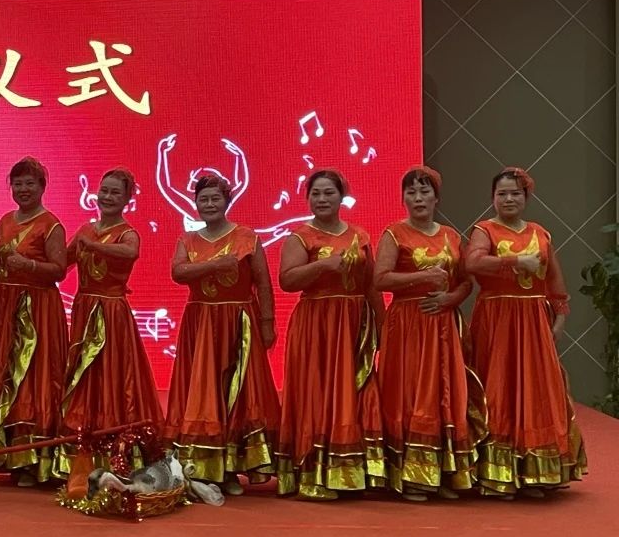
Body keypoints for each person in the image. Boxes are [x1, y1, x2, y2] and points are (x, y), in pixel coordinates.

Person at [465, 167, 587, 498]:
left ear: (526, 197)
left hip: (534, 321)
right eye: (502, 193)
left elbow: (555, 282)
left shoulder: (541, 233)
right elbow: (472, 263)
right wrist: (515, 261)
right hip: (498, 320)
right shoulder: (485, 230)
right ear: (493, 198)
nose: (509, 199)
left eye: (515, 193)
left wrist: (558, 322)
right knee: (499, 387)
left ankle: (535, 471)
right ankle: (497, 473)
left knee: (537, 389)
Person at [163, 174, 280, 495]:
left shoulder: (246, 237)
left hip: (239, 322)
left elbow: (263, 282)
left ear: (227, 201)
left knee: (238, 392)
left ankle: (233, 466)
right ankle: (208, 469)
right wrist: (217, 265)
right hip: (200, 325)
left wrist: (267, 322)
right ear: (196, 204)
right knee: (204, 394)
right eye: (203, 199)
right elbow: (178, 272)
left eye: (215, 198)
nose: (209, 204)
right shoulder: (187, 240)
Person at [373, 166, 483, 501]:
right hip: (408, 324)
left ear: (436, 198)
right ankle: (412, 476)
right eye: (411, 192)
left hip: (443, 325)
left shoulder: (451, 236)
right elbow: (380, 279)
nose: (418, 198)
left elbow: (466, 282)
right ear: (403, 198)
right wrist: (422, 278)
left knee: (446, 393)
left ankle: (446, 471)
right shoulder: (394, 233)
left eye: (425, 192)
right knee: (409, 394)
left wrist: (451, 299)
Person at [275, 170, 385, 501]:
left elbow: (371, 285)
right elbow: (287, 280)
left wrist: (383, 326)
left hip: (354, 324)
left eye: (329, 193)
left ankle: (353, 472)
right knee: (318, 393)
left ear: (341, 197)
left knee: (356, 391)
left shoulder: (360, 236)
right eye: (316, 194)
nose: (322, 199)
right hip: (317, 327)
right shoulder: (300, 237)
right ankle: (315, 474)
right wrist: (323, 266)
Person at [0, 157, 68, 487]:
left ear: (42, 187)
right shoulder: (4, 222)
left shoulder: (51, 225)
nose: (23, 189)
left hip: (39, 310)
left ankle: (33, 459)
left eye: (30, 183)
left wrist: (27, 265)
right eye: (18, 183)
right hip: (6, 308)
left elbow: (59, 270)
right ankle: (5, 454)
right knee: (6, 373)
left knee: (33, 377)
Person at [59, 168, 162, 473]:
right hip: (84, 310)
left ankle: (116, 449)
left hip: (112, 313)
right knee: (84, 375)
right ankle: (80, 447)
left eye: (115, 192)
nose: (107, 196)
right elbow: (61, 263)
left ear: (128, 198)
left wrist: (93, 246)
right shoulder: (86, 229)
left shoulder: (127, 233)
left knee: (114, 375)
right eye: (104, 190)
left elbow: (130, 253)